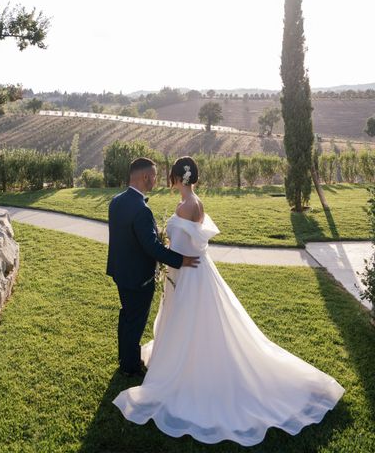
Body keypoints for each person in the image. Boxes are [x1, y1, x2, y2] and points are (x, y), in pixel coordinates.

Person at [112, 156, 344, 446]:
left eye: (167, 176)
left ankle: (182, 363)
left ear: (176, 178)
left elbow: (176, 247)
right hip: (192, 272)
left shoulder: (181, 206)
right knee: (196, 322)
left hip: (186, 273)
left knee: (183, 320)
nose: (162, 181)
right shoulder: (196, 203)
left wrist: (172, 254)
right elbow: (186, 242)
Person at [106, 157, 200, 377]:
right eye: (155, 176)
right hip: (140, 277)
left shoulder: (116, 201)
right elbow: (152, 247)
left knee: (127, 315)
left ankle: (125, 357)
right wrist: (181, 260)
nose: (156, 180)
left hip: (121, 272)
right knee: (135, 321)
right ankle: (130, 365)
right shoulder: (142, 210)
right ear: (146, 177)